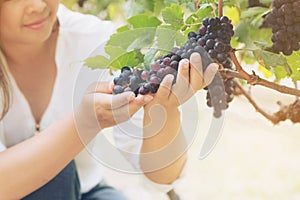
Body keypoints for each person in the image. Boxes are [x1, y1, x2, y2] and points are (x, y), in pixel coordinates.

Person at [0, 0, 218, 199]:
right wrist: (84, 123)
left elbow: (162, 178)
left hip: (86, 191)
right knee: (58, 177)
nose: (37, 6)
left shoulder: (95, 39)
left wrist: (164, 109)